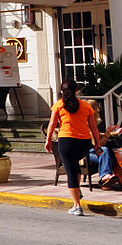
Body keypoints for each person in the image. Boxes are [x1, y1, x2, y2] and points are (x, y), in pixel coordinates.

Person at [45, 79, 102, 215]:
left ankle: (77, 206)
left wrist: (48, 141)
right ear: (76, 91)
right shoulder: (86, 106)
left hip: (66, 142)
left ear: (62, 91)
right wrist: (97, 144)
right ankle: (77, 192)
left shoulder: (58, 105)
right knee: (75, 168)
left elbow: (52, 125)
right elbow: (93, 127)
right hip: (84, 143)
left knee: (70, 172)